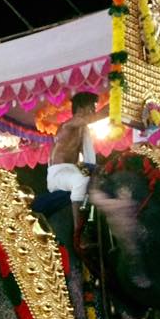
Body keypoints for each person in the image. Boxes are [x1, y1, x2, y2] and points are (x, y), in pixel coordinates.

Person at [47, 92, 101, 224]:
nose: (94, 111)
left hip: (73, 170)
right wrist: (116, 107)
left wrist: (95, 172)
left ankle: (92, 222)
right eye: (92, 107)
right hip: (58, 174)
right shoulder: (67, 126)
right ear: (81, 108)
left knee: (99, 178)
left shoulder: (83, 131)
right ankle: (79, 231)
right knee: (80, 180)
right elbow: (98, 117)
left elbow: (83, 163)